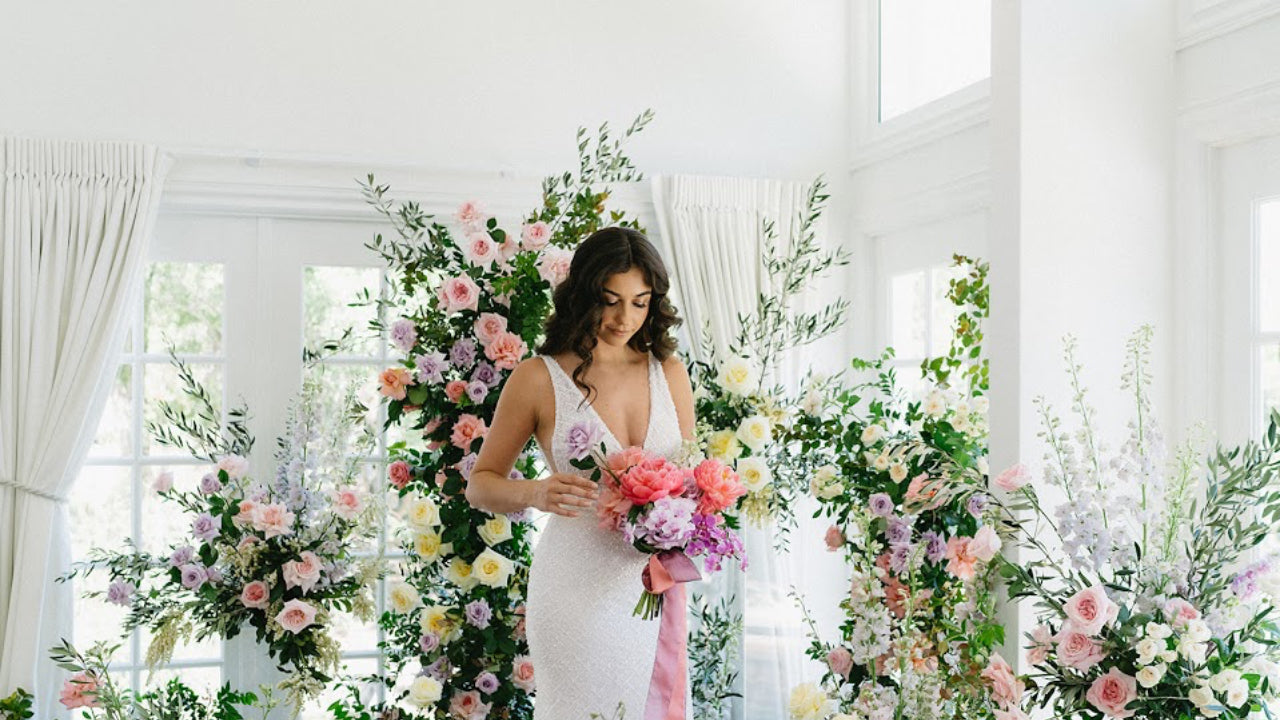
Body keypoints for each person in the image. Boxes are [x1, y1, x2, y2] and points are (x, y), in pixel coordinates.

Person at [465, 226, 696, 720]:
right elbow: (480, 484)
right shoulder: (538, 376)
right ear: (584, 293)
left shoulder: (668, 370)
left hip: (653, 586)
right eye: (610, 300)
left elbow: (691, 478)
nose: (624, 318)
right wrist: (537, 492)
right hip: (573, 586)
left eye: (640, 302)